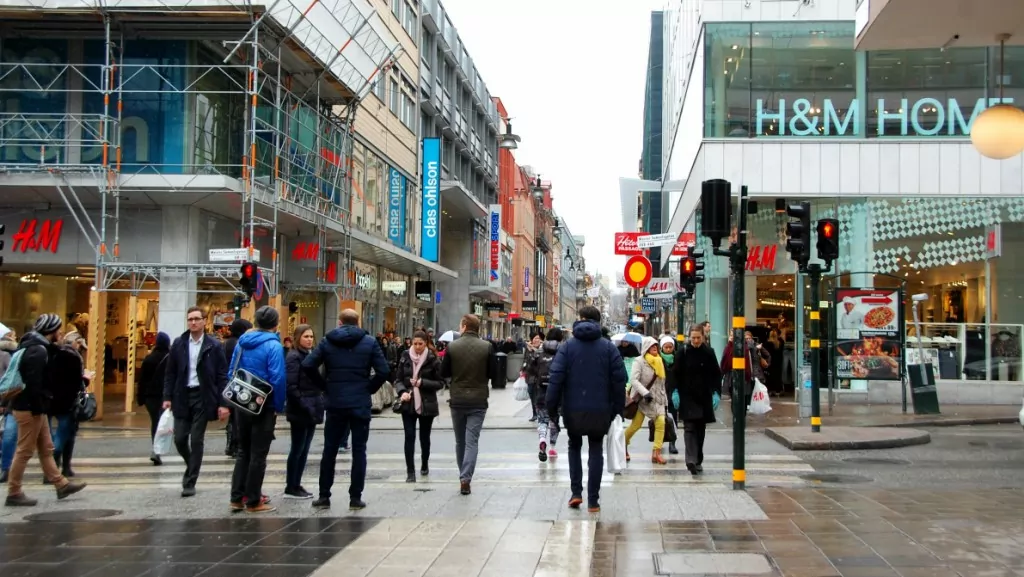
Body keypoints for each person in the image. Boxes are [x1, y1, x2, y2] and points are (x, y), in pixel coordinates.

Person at [303, 309, 389, 511]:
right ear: (358, 322)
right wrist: (368, 388)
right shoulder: (369, 342)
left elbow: (308, 365)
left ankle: (324, 496)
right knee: (359, 451)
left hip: (335, 402)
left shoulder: (327, 341)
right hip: (359, 402)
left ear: (339, 323)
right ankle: (355, 498)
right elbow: (384, 370)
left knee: (330, 450)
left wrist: (325, 386)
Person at [546, 306, 626, 513]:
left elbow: (555, 379)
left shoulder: (567, 347)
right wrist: (618, 409)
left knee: (574, 446)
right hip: (601, 409)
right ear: (598, 322)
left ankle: (575, 493)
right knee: (596, 449)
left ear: (580, 320)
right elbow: (619, 381)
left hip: (573, 408)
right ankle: (593, 500)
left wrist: (551, 409)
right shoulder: (609, 348)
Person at [6, 314, 87, 506]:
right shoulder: (38, 350)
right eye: (58, 329)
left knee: (46, 449)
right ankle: (14, 492)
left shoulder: (36, 347)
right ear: (50, 331)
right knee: (24, 451)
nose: (61, 333)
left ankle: (61, 484)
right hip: (29, 408)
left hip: (35, 407)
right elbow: (34, 384)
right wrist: (39, 407)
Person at [163, 306, 229, 498]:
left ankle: (190, 480)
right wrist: (167, 397)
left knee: (197, 439)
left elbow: (221, 375)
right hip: (182, 395)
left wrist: (223, 403)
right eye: (190, 319)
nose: (193, 322)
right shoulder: (179, 343)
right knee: (180, 438)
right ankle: (190, 464)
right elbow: (170, 373)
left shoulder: (213, 345)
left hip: (203, 396)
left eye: (196, 319)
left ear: (204, 321)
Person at [226, 306, 285, 513]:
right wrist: (278, 405)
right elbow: (277, 378)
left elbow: (231, 371)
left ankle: (236, 498)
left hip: (242, 402)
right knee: (259, 454)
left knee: (243, 451)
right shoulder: (273, 346)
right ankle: (253, 500)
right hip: (263, 404)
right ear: (276, 324)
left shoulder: (241, 343)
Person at [440, 314, 494, 496]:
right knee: (472, 441)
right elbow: (493, 373)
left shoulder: (452, 347)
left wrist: (455, 381)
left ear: (463, 326)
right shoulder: (487, 347)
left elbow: (444, 372)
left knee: (460, 440)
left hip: (457, 399)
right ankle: (466, 478)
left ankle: (462, 475)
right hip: (478, 400)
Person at [394, 330, 443, 483]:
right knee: (409, 437)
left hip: (426, 403)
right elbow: (398, 379)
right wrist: (402, 391)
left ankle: (424, 464)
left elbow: (441, 382)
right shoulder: (405, 356)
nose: (417, 347)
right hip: (408, 403)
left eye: (420, 344)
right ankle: (410, 472)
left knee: (424, 437)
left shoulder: (432, 359)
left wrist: (423, 383)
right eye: (414, 344)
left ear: (425, 343)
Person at [674, 325, 721, 475]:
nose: (695, 341)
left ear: (703, 337)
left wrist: (716, 393)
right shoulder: (683, 352)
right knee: (689, 428)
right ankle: (691, 460)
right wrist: (674, 391)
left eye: (698, 338)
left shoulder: (709, 352)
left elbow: (716, 374)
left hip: (704, 397)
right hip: (687, 396)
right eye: (693, 338)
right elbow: (675, 374)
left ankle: (698, 459)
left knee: (700, 430)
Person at [284, 324, 322, 499]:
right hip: (301, 408)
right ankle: (291, 485)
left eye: (311, 337)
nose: (309, 339)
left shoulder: (311, 355)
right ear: (298, 337)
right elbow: (291, 386)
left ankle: (296, 484)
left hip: (312, 405)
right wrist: (304, 403)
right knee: (298, 449)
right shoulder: (294, 357)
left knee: (305, 449)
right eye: (306, 336)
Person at [48, 331, 89, 479]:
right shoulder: (73, 357)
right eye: (80, 345)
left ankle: (61, 466)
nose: (80, 349)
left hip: (52, 399)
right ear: (75, 343)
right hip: (68, 401)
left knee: (60, 434)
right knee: (65, 434)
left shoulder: (53, 354)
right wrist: (86, 379)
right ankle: (58, 464)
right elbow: (76, 381)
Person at [624, 336, 669, 465]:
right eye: (651, 346)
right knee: (636, 425)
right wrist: (645, 393)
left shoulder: (660, 361)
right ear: (646, 348)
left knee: (661, 423)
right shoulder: (639, 361)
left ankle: (657, 452)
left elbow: (662, 383)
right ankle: (622, 445)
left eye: (656, 346)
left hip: (658, 399)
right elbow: (633, 380)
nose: (654, 348)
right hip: (642, 400)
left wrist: (665, 400)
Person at [525, 328, 562, 462]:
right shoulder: (563, 352)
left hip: (541, 391)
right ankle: (552, 447)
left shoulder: (539, 352)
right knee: (554, 420)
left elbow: (530, 369)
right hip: (557, 393)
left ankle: (542, 439)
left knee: (542, 420)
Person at [137, 332, 171, 466]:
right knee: (162, 423)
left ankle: (156, 450)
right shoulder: (170, 358)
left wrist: (140, 397)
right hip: (164, 396)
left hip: (150, 396)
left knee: (155, 422)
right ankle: (157, 450)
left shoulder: (149, 359)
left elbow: (142, 380)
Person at [222, 319, 252, 458]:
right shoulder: (239, 343)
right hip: (238, 383)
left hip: (228, 383)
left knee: (233, 417)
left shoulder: (226, 343)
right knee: (237, 417)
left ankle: (230, 444)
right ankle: (235, 444)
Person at [720, 331, 770, 410]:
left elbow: (750, 361)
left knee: (742, 401)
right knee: (735, 402)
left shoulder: (747, 347)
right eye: (731, 335)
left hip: (745, 377)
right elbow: (724, 363)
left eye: (734, 335)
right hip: (732, 378)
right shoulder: (728, 347)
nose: (732, 337)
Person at [0, 324, 18, 483]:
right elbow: (9, 379)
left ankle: (6, 469)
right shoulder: (8, 356)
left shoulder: (7, 356)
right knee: (8, 435)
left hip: (7, 399)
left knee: (8, 436)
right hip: (8, 400)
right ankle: (5, 468)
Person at [659, 336, 679, 455]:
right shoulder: (658, 359)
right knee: (660, 418)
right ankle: (659, 440)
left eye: (670, 347)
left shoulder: (677, 358)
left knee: (673, 418)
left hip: (673, 391)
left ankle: (672, 442)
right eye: (666, 347)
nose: (668, 349)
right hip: (661, 392)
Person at [521, 333, 543, 422]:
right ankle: (535, 413)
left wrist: (533, 350)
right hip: (530, 376)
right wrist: (522, 369)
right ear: (531, 339)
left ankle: (540, 413)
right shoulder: (528, 349)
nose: (537, 340)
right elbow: (525, 360)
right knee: (531, 394)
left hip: (540, 376)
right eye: (535, 338)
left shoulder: (542, 349)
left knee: (539, 396)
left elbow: (540, 359)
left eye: (538, 338)